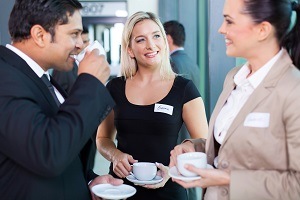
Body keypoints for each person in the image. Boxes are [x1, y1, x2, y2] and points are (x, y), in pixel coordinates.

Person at [169, 0, 300, 200]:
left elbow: (296, 185)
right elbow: (230, 149)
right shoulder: (234, 77)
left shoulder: (293, 89)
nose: (221, 30)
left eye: (229, 22)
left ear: (262, 30)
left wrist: (228, 179)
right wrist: (194, 147)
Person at [0, 0, 123, 199]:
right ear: (40, 35)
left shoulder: (41, 78)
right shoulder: (4, 76)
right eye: (73, 34)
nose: (80, 44)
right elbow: (48, 152)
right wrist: (90, 82)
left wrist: (89, 181)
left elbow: (62, 142)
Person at [96, 11, 208, 200]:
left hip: (170, 190)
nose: (151, 45)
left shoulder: (184, 88)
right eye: (140, 40)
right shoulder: (114, 87)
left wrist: (173, 169)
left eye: (156, 36)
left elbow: (204, 144)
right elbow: (103, 138)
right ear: (129, 49)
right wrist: (115, 155)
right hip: (121, 190)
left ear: (164, 41)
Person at [164, 19, 203, 200]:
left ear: (168, 38)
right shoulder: (191, 62)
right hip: (193, 127)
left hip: (180, 132)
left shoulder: (172, 63)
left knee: (181, 176)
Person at [52, 26, 90, 93]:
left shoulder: (86, 64)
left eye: (88, 41)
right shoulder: (63, 67)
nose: (87, 45)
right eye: (84, 42)